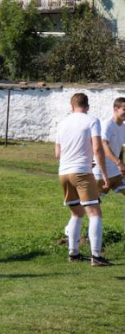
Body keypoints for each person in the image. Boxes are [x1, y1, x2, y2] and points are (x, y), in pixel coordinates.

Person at [55, 93, 112, 266]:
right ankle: (96, 256)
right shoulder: (92, 121)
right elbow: (97, 148)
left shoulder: (62, 123)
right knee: (94, 213)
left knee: (77, 212)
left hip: (63, 173)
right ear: (87, 107)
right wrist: (104, 174)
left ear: (71, 107)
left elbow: (58, 154)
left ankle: (73, 253)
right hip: (82, 172)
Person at [92, 97, 125, 199]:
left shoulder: (123, 127)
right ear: (116, 109)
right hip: (101, 171)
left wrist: (121, 165)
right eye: (124, 109)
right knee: (93, 203)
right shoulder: (107, 125)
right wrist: (118, 162)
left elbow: (120, 148)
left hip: (116, 172)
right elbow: (103, 145)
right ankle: (77, 214)